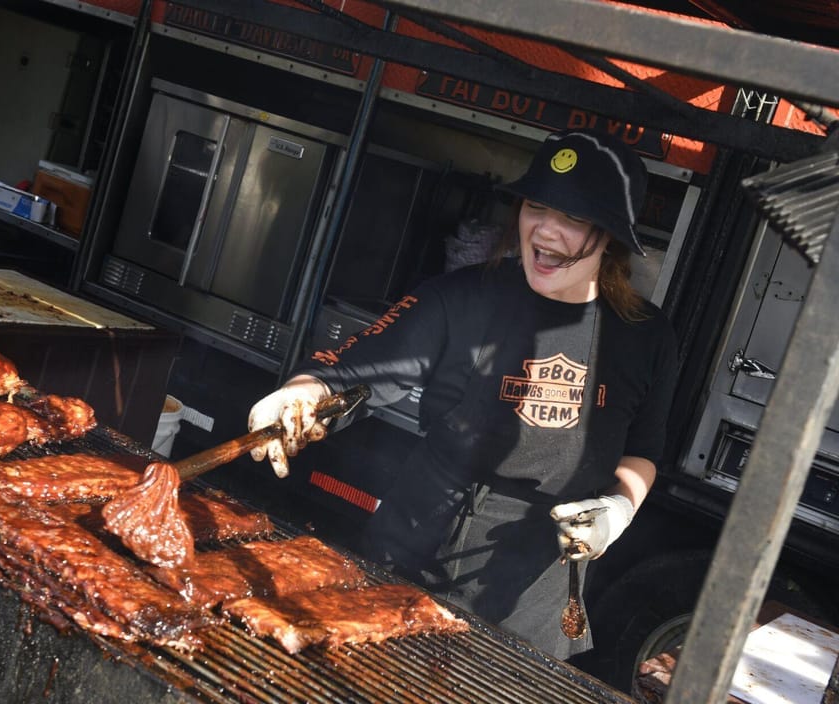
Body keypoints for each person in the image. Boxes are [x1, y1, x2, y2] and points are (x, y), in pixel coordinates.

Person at [247, 128, 679, 659]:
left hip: (531, 589)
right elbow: (359, 372)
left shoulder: (644, 336)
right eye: (537, 206)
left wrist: (619, 506)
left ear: (610, 235)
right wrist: (300, 392)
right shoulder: (461, 299)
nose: (546, 230)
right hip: (407, 550)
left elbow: (644, 449)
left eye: (574, 218)